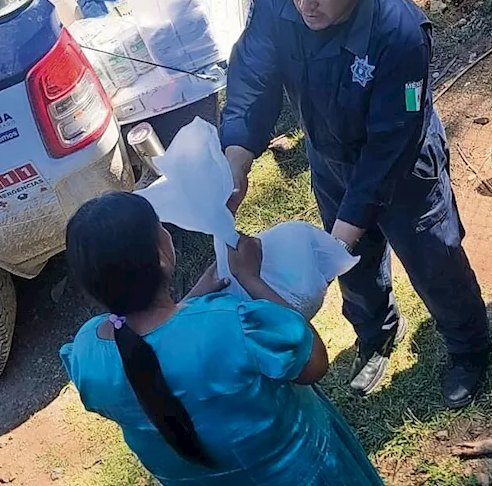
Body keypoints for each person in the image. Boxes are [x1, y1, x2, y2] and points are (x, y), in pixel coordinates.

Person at [220, 0, 492, 406]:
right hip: (329, 159)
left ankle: (469, 349)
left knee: (435, 261)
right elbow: (253, 75)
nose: (305, 4)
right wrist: (237, 153)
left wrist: (341, 235)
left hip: (403, 169)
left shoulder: (400, 32)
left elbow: (391, 144)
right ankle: (377, 334)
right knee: (355, 268)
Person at [61, 191, 386, 485]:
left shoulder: (88, 352)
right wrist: (251, 279)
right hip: (301, 472)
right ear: (161, 255)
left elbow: (153, 352)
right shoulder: (235, 325)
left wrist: (191, 300)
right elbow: (314, 363)